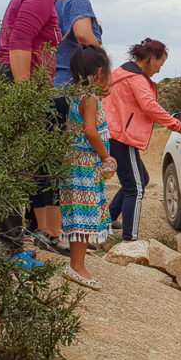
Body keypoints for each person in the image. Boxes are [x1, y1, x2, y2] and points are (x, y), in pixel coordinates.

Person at [0, 0, 87, 269]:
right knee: (10, 169)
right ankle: (8, 250)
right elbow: (19, 45)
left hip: (14, 82)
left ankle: (9, 245)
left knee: (8, 167)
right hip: (15, 83)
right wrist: (25, 98)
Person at [103, 39, 181, 241]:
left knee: (141, 179)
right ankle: (130, 238)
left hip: (114, 133)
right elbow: (149, 106)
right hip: (121, 137)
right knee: (134, 187)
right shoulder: (136, 79)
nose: (159, 70)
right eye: (160, 64)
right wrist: (177, 125)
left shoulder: (121, 73)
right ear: (152, 59)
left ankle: (108, 219)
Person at [60, 45, 115, 291]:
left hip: (77, 164)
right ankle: (76, 265)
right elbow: (90, 130)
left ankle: (77, 259)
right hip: (84, 165)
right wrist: (106, 157)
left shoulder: (78, 94)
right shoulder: (89, 99)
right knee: (83, 215)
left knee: (80, 214)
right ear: (100, 73)